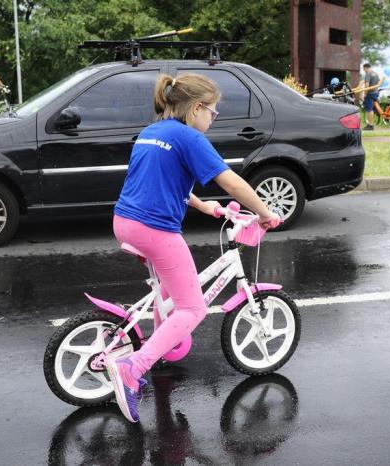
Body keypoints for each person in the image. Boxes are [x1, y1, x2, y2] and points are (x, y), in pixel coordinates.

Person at [107, 73, 281, 423]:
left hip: (124, 221)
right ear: (198, 108)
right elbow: (230, 181)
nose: (213, 120)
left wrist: (205, 207)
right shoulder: (190, 137)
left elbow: (166, 181)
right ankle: (132, 368)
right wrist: (265, 213)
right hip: (155, 229)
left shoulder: (152, 132)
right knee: (193, 308)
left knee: (168, 290)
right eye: (213, 113)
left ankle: (161, 338)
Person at [359, 63, 384, 131]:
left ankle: (370, 125)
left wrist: (365, 94)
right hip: (375, 93)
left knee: (369, 110)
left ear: (365, 68)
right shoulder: (375, 73)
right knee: (372, 109)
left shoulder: (368, 74)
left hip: (370, 93)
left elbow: (367, 85)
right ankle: (371, 124)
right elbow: (378, 83)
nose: (364, 70)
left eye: (364, 69)